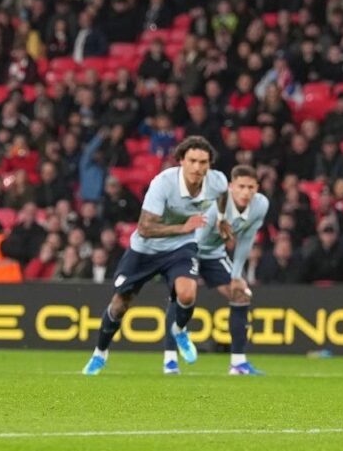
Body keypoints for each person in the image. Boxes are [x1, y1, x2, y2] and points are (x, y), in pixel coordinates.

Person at [82, 136, 228, 375]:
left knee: (187, 293)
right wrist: (182, 227)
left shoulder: (217, 181)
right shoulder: (163, 183)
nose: (197, 168)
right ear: (181, 161)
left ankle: (179, 330)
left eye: (203, 162)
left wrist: (221, 220)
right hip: (146, 249)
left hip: (181, 247)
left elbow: (223, 196)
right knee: (120, 304)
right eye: (192, 161)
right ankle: (100, 353)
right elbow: (145, 228)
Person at [177, 164, 268, 375]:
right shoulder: (216, 204)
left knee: (241, 295)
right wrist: (190, 270)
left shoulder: (261, 205)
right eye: (241, 187)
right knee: (182, 295)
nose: (246, 192)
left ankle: (238, 363)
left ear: (257, 188)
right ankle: (170, 360)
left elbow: (246, 238)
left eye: (251, 187)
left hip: (213, 254)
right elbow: (197, 238)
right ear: (231, 187)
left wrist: (237, 275)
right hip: (187, 248)